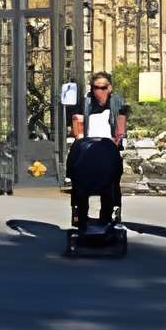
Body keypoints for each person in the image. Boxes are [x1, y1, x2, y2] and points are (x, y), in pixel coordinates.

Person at [68, 73, 128, 236]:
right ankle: (81, 216)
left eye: (102, 87)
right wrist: (80, 139)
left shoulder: (118, 103)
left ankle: (107, 217)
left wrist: (117, 141)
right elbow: (77, 126)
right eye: (95, 87)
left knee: (110, 183)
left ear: (109, 88)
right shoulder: (85, 102)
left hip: (108, 148)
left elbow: (120, 129)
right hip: (87, 147)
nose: (98, 91)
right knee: (80, 182)